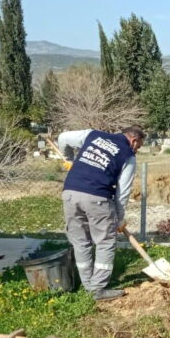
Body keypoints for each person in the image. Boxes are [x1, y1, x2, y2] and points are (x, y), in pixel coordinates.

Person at [58, 126, 145, 301]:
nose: (138, 150)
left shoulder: (92, 135)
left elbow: (63, 138)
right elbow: (123, 191)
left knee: (80, 241)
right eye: (139, 146)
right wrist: (119, 218)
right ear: (134, 140)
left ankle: (89, 286)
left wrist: (70, 160)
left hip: (70, 194)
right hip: (97, 197)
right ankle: (97, 289)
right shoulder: (128, 155)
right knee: (105, 242)